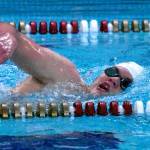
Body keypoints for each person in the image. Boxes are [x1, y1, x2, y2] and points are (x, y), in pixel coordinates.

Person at [0, 23, 143, 97]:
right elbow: (12, 34)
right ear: (102, 72)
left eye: (124, 82)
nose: (115, 80)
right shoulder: (67, 76)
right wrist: (9, 38)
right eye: (113, 72)